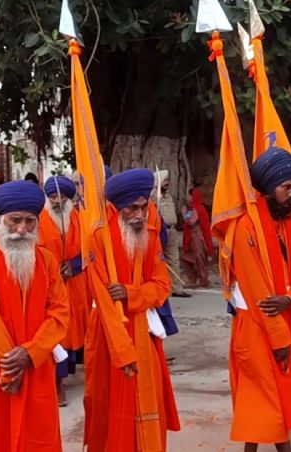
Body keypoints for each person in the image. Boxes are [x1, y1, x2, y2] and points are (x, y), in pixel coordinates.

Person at [0, 181, 70, 451]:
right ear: (0, 219)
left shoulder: (46, 260)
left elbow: (60, 312)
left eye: (30, 221)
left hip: (36, 367)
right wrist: (8, 367)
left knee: (37, 439)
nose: (22, 229)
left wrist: (31, 352)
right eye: (15, 220)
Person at [84, 168, 180, 451]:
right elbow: (103, 299)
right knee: (109, 405)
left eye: (143, 207)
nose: (139, 215)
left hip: (144, 331)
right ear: (116, 208)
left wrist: (131, 293)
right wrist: (123, 352)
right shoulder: (97, 237)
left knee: (149, 404)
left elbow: (162, 286)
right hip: (109, 336)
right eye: (132, 209)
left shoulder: (150, 234)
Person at [226, 149, 291, 452]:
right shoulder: (246, 228)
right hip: (256, 327)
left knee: (269, 400)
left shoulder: (290, 224)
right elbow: (258, 294)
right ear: (267, 187)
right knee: (267, 399)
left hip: (284, 320)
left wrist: (290, 299)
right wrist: (280, 338)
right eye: (286, 187)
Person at [38, 175, 88, 407]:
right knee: (55, 331)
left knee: (77, 330)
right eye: (53, 197)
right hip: (50, 285)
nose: (57, 201)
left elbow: (90, 249)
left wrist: (75, 265)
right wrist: (52, 269)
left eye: (62, 197)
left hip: (76, 285)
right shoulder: (38, 220)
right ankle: (58, 384)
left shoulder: (79, 218)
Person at [155, 170, 190, 298]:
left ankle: (176, 288)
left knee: (174, 260)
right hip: (160, 231)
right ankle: (161, 287)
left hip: (172, 231)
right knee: (158, 260)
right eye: (164, 180)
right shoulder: (154, 197)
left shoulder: (169, 197)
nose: (167, 183)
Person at [181, 188, 213, 288]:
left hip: (197, 237)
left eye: (190, 196)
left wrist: (184, 213)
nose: (187, 198)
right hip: (193, 237)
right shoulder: (195, 208)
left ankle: (202, 279)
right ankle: (195, 278)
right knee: (189, 257)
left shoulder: (197, 208)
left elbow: (191, 221)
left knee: (199, 258)